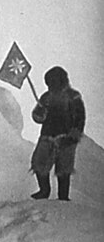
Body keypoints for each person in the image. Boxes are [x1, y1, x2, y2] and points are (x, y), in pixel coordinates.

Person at [30, 66, 85, 201]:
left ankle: (63, 196)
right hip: (47, 135)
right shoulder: (46, 97)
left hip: (66, 136)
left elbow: (80, 117)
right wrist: (40, 113)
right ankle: (44, 190)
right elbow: (37, 116)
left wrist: (74, 135)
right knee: (39, 162)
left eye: (54, 80)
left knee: (64, 168)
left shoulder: (73, 96)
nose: (51, 84)